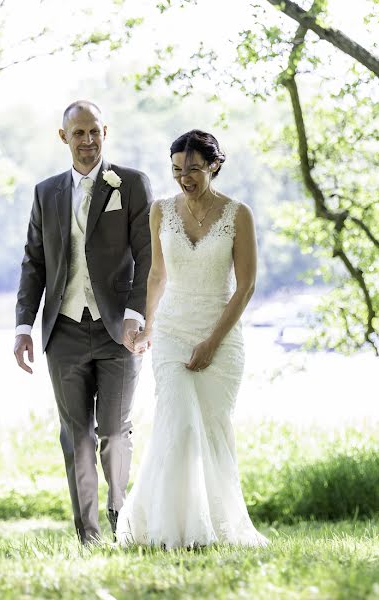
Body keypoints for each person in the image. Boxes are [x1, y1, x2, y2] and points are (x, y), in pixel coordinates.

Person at [115, 129, 268, 549]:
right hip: (171, 332)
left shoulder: (239, 215)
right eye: (178, 170)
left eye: (194, 169)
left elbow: (246, 286)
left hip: (220, 335)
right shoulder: (160, 211)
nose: (185, 178)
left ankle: (214, 526)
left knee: (212, 430)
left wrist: (212, 343)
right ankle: (166, 529)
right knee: (178, 425)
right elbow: (157, 275)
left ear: (214, 165)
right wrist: (147, 326)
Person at [14, 100, 153, 544]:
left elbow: (148, 255)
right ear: (64, 137)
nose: (88, 141)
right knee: (76, 437)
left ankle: (119, 517)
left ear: (105, 132)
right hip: (64, 332)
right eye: (79, 133)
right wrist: (23, 327)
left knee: (114, 431)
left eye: (95, 132)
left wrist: (136, 315)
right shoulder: (46, 192)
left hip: (119, 332)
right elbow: (34, 263)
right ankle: (88, 535)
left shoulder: (130, 184)